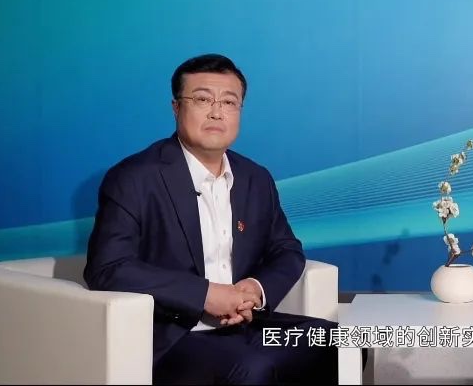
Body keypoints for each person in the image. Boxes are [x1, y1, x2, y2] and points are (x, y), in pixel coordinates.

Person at [84, 54, 338, 384]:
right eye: (203, 99)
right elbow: (107, 267)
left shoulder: (255, 178)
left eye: (229, 102)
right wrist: (205, 294)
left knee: (342, 341)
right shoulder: (134, 178)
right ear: (176, 108)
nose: (217, 112)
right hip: (173, 334)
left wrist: (256, 289)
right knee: (252, 369)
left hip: (246, 325)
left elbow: (287, 250)